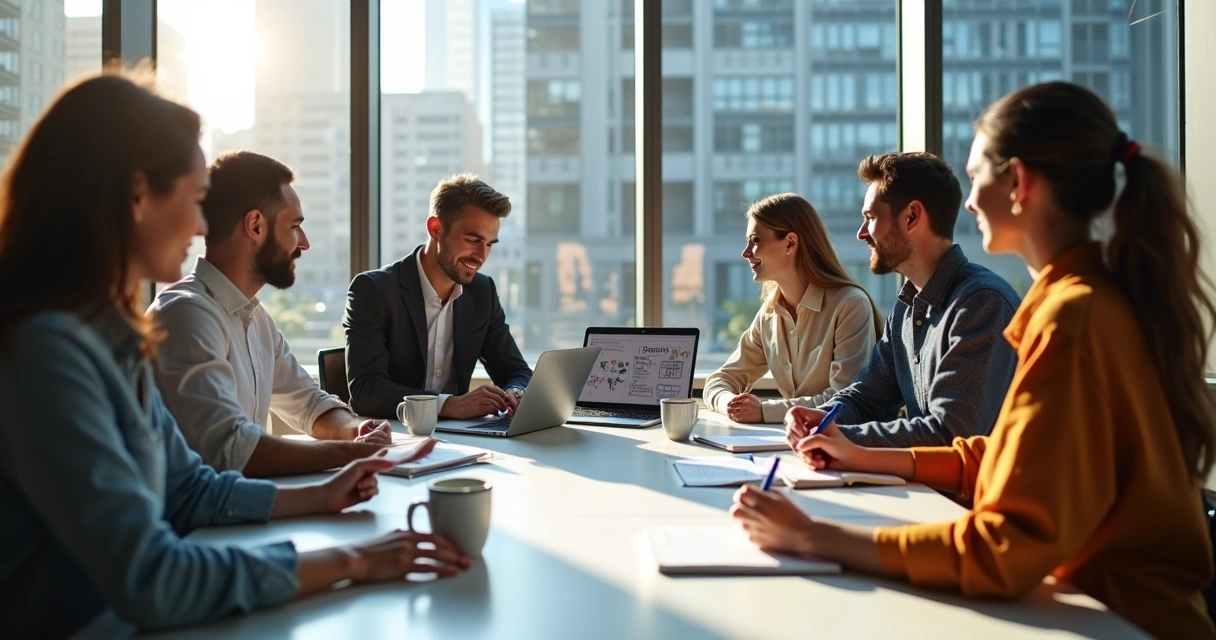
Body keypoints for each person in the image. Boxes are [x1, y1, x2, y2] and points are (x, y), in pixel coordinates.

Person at [735, 82, 1216, 639]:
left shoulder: (1071, 317)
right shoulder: (1081, 301)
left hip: (1121, 624)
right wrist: (858, 452)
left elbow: (1001, 549)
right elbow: (1007, 456)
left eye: (978, 174)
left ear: (1019, 182)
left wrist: (815, 537)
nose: (967, 202)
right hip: (1095, 611)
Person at [0, 71, 469, 637]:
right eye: (196, 199)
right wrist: (353, 561)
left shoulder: (115, 338)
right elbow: (154, 578)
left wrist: (326, 492)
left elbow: (189, 489)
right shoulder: (47, 351)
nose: (202, 224)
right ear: (138, 196)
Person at [149, 151, 397, 477]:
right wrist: (353, 454)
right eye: (294, 226)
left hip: (247, 500)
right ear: (255, 226)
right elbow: (230, 450)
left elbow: (309, 404)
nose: (304, 243)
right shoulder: (186, 316)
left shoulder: (256, 318)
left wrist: (357, 430)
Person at [783, 152, 1021, 448]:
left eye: (871, 218)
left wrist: (840, 437)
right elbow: (866, 397)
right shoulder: (906, 309)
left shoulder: (982, 304)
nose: (861, 234)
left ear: (911, 217)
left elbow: (951, 434)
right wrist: (820, 419)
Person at [344, 173, 532, 420]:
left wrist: (516, 392)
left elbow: (516, 370)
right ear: (435, 228)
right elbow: (366, 391)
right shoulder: (373, 290)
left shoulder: (482, 292)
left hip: (460, 437)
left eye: (489, 244)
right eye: (472, 239)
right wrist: (450, 405)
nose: (481, 256)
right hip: (395, 434)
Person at [704, 193, 881, 424]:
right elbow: (719, 381)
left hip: (842, 441)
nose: (746, 252)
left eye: (755, 241)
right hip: (793, 438)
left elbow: (845, 401)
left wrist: (764, 411)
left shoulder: (850, 305)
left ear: (790, 243)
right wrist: (730, 403)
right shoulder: (769, 313)